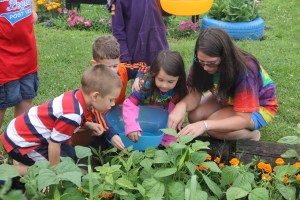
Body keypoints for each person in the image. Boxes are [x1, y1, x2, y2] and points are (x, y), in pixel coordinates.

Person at [0, 65, 122, 176]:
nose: (113, 104)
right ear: (95, 96)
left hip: (25, 132)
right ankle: (9, 171)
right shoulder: (72, 115)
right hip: (21, 143)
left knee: (70, 157)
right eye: (110, 100)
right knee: (46, 169)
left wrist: (88, 124)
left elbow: (62, 121)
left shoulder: (76, 96)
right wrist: (55, 173)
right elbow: (54, 145)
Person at [168, 27, 278, 141]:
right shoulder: (202, 58)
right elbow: (194, 93)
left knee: (213, 129)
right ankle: (221, 117)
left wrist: (206, 124)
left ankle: (252, 135)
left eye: (211, 63)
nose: (205, 67)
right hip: (227, 96)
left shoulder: (245, 70)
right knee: (194, 116)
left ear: (225, 57)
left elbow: (243, 118)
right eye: (201, 62)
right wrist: (181, 106)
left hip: (259, 107)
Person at [71, 35, 148, 150]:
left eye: (115, 66)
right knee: (98, 143)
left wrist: (139, 78)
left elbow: (141, 66)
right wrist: (111, 134)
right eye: (107, 67)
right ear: (95, 64)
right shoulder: (94, 83)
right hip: (93, 122)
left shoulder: (122, 69)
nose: (112, 70)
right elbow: (96, 113)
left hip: (114, 114)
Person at [122, 50, 188, 146]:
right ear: (154, 74)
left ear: (179, 78)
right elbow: (130, 104)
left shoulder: (178, 90)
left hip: (162, 124)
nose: (165, 85)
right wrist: (131, 126)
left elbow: (173, 114)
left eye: (171, 81)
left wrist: (170, 136)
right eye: (160, 80)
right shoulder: (146, 85)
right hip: (144, 122)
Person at [0, 0, 39, 129]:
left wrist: (32, 9)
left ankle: (19, 142)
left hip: (27, 57)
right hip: (4, 62)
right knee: (1, 106)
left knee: (26, 99)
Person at [107, 0, 169, 66]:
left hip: (159, 46)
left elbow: (167, 10)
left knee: (160, 72)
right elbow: (117, 30)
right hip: (136, 53)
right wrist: (124, 55)